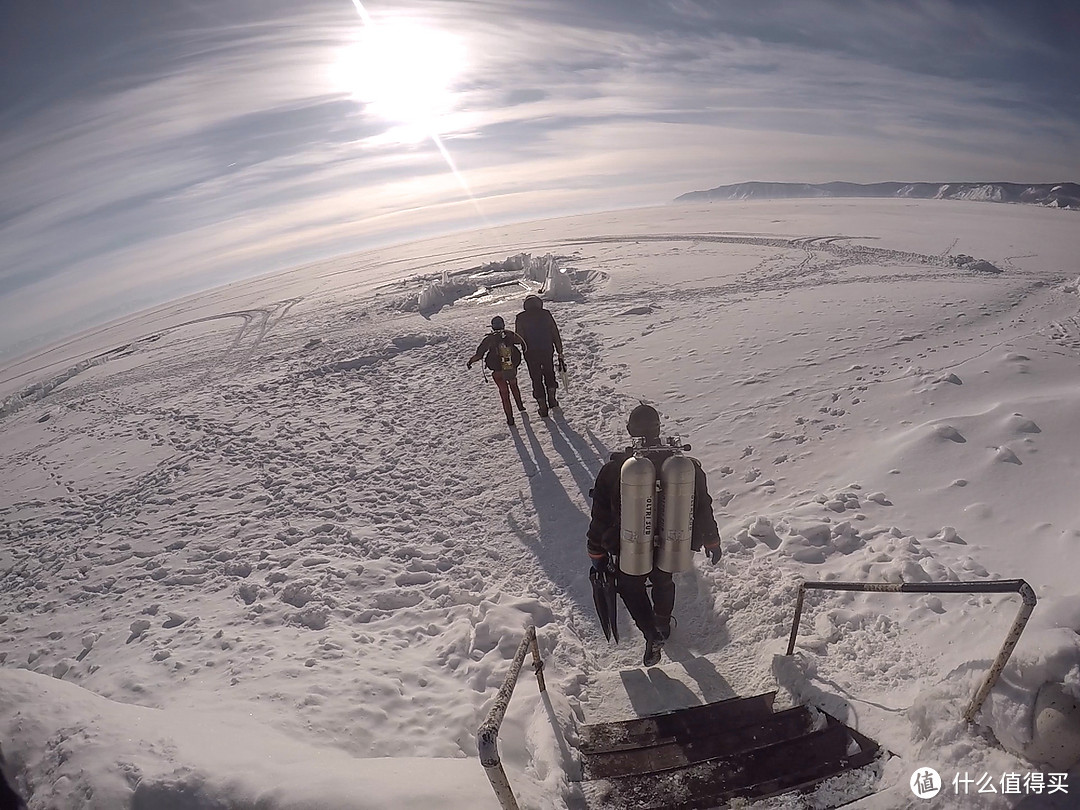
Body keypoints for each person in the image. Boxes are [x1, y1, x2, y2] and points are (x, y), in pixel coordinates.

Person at [587, 404, 722, 666]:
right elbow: (702, 505)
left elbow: (600, 516)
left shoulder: (616, 469)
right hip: (672, 540)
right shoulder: (685, 466)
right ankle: (663, 623)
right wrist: (711, 539)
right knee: (663, 580)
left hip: (630, 546)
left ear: (629, 430)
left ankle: (651, 632)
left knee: (630, 586)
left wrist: (596, 551)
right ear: (659, 429)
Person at [467, 316, 527, 426]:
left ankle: (510, 418)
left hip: (497, 372)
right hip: (510, 367)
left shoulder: (489, 339)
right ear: (503, 325)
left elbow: (479, 355)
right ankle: (520, 406)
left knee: (504, 393)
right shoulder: (509, 335)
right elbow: (520, 341)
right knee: (514, 385)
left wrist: (470, 362)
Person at [514, 295, 565, 418]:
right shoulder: (546, 314)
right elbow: (555, 333)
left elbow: (518, 338)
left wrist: (509, 339)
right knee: (549, 373)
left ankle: (542, 407)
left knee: (536, 378)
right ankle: (552, 400)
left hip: (530, 353)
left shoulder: (520, 318)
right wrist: (560, 351)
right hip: (547, 350)